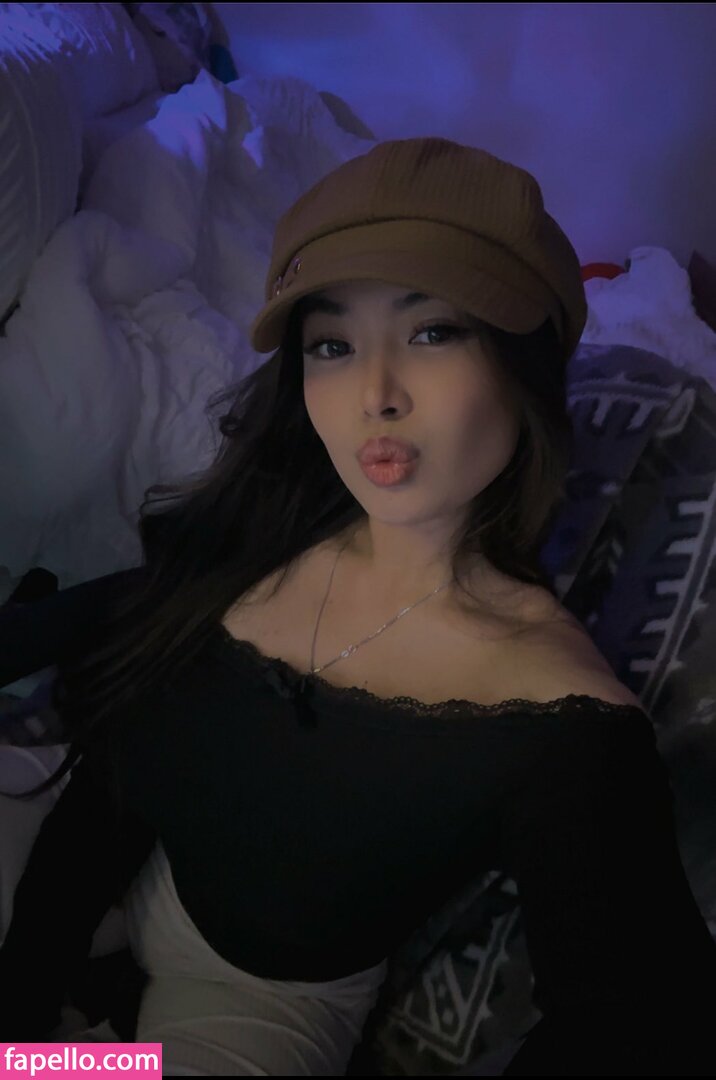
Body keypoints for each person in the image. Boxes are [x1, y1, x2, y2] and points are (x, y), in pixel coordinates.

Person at [1, 135, 716, 1075]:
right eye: (332, 346)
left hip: (262, 999)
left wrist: (35, 1060)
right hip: (117, 865)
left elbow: (639, 1023)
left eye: (432, 332)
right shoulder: (265, 523)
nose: (373, 395)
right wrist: (21, 997)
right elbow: (115, 770)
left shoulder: (561, 720)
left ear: (526, 364)